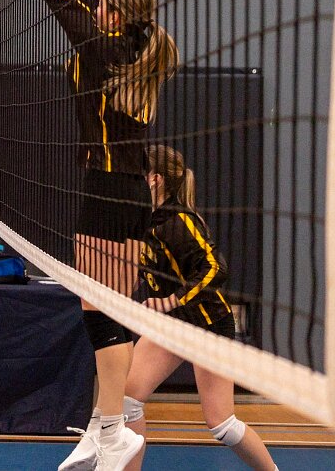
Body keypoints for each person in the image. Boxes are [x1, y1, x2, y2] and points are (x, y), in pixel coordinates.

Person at [1, 0, 179, 471]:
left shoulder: (101, 51)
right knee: (109, 308)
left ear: (115, 16)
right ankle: (107, 428)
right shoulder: (133, 47)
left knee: (97, 309)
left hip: (105, 189)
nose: (94, 6)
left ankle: (110, 428)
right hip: (131, 193)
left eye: (103, 5)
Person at [121, 146, 279, 471]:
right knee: (127, 402)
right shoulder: (145, 219)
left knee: (222, 424)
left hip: (207, 326)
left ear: (155, 179)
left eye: (140, 173)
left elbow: (215, 267)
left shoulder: (180, 220)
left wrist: (171, 300)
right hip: (172, 326)